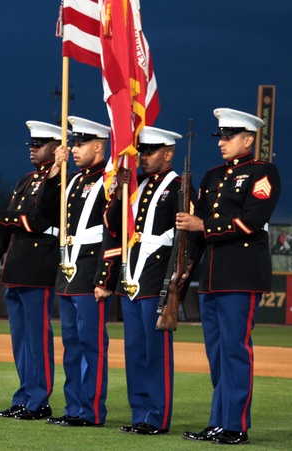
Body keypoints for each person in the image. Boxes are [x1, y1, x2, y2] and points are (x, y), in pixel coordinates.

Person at [177, 108, 280, 446]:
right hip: (211, 278)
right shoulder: (212, 176)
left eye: (228, 136)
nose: (221, 142)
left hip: (242, 275)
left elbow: (250, 221)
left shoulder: (263, 173)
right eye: (220, 136)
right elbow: (194, 235)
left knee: (235, 350)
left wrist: (203, 225)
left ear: (248, 139)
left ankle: (235, 426)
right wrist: (184, 269)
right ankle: (218, 421)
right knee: (217, 353)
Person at [0, 120, 63, 421]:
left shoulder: (61, 181)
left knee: (37, 339)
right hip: (16, 268)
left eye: (39, 145)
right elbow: (8, 226)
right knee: (21, 340)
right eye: (32, 145)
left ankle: (39, 401)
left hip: (39, 267)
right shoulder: (24, 181)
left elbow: (36, 221)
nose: (33, 150)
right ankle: (24, 396)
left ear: (57, 147)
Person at [103, 126, 187, 436]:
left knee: (156, 353)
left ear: (168, 153)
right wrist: (119, 194)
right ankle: (140, 413)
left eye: (150, 152)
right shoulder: (136, 187)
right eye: (142, 152)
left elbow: (185, 238)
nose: (144, 158)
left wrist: (179, 277)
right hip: (132, 276)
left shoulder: (179, 186)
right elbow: (113, 226)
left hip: (157, 277)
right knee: (135, 352)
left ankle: (158, 417)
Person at [39, 115, 116, 427]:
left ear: (98, 146)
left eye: (80, 143)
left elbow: (114, 231)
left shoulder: (108, 180)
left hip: (90, 270)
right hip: (68, 270)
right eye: (73, 143)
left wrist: (104, 277)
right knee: (71, 344)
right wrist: (56, 169)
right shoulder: (73, 179)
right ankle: (73, 408)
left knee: (91, 344)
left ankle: (92, 410)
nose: (73, 148)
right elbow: (44, 210)